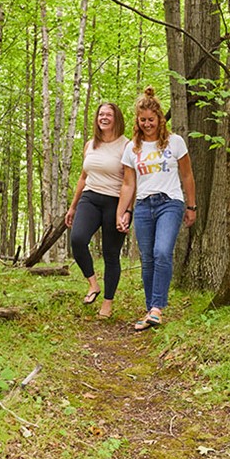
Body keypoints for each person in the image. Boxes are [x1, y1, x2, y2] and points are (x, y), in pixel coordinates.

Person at [116, 87, 196, 331]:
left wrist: (191, 206)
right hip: (142, 205)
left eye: (151, 119)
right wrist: (122, 213)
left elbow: (188, 175)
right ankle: (151, 310)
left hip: (170, 202)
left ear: (160, 118)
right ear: (137, 121)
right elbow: (128, 183)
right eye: (143, 120)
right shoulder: (132, 148)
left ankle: (157, 307)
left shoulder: (175, 142)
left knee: (162, 251)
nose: (147, 124)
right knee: (148, 258)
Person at [65, 102, 129, 319]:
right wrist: (73, 207)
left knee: (111, 254)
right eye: (101, 114)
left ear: (116, 118)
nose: (104, 117)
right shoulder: (90, 144)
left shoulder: (126, 146)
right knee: (78, 239)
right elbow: (83, 178)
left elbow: (131, 182)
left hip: (115, 201)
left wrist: (126, 211)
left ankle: (108, 303)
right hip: (90, 198)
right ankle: (93, 284)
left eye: (108, 114)